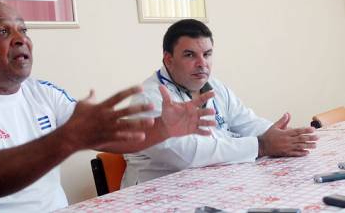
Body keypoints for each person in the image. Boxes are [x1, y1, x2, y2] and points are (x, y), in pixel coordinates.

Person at [0, 2, 216, 212]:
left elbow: (105, 135)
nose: (21, 39)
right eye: (2, 32)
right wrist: (67, 139)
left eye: (23, 30)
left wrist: (163, 129)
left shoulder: (44, 93)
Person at [121, 19, 319, 188]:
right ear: (168, 59)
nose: (202, 63)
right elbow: (187, 155)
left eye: (207, 54)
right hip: (158, 195)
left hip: (211, 185)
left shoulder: (213, 86)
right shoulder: (148, 99)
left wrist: (274, 134)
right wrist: (262, 145)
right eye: (190, 55)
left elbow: (245, 121)